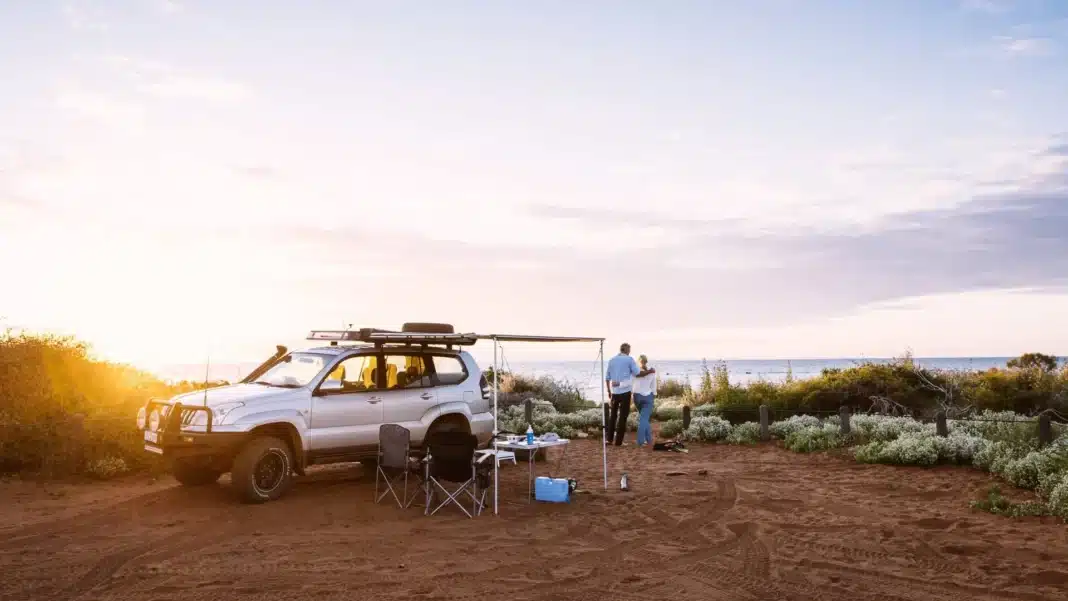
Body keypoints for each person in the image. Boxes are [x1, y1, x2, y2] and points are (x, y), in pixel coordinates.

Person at [605, 342, 654, 446]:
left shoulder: (611, 360)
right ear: (627, 350)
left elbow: (607, 378)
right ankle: (618, 442)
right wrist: (649, 371)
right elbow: (637, 373)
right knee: (622, 416)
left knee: (613, 416)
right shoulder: (629, 359)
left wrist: (609, 391)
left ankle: (609, 440)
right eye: (629, 350)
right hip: (625, 393)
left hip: (614, 393)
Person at [632, 354, 657, 448]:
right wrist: (654, 395)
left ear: (639, 361)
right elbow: (654, 385)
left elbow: (631, 382)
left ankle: (648, 439)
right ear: (646, 361)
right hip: (647, 397)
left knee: (644, 418)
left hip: (637, 396)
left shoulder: (635, 371)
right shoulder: (652, 371)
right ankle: (640, 441)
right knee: (644, 419)